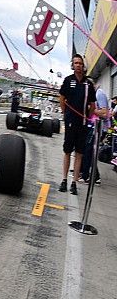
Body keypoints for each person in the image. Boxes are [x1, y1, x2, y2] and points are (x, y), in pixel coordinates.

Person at [58, 54, 97, 195]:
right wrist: (66, 114)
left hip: (83, 123)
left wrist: (88, 117)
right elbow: (62, 98)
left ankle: (74, 182)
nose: (78, 65)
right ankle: (64, 180)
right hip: (70, 122)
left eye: (80, 63)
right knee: (67, 151)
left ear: (83, 65)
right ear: (72, 65)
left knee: (79, 153)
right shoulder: (68, 81)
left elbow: (92, 104)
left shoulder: (88, 84)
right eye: (76, 63)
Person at [80, 80, 110, 185]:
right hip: (92, 127)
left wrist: (90, 108)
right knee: (88, 151)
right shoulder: (93, 95)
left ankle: (89, 176)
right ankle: (90, 176)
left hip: (99, 128)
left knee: (89, 151)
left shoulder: (99, 93)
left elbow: (105, 113)